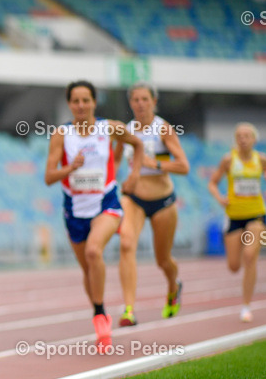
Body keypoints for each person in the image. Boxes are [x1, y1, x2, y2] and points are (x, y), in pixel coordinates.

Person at [44, 80, 143, 353]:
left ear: (94, 102)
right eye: (75, 101)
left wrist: (132, 174)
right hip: (75, 210)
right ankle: (99, 310)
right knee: (89, 269)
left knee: (92, 252)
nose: (81, 105)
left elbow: (136, 143)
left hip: (106, 204)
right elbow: (49, 177)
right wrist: (70, 168)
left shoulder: (108, 127)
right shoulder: (61, 134)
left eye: (85, 100)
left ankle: (101, 319)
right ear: (69, 104)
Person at [114, 83, 190, 326]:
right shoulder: (125, 131)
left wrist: (153, 164)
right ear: (130, 103)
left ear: (154, 101)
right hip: (133, 199)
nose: (140, 104)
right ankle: (128, 310)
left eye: (145, 99)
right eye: (135, 99)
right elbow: (113, 163)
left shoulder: (163, 129)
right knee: (126, 244)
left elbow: (183, 166)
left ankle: (173, 285)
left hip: (163, 202)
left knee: (162, 260)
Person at [207, 123, 266, 322]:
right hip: (234, 216)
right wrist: (220, 198)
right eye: (239, 136)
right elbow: (212, 182)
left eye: (247, 136)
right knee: (234, 265)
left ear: (254, 140)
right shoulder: (229, 160)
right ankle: (244, 260)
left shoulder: (261, 159)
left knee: (249, 256)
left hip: (256, 214)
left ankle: (246, 307)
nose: (243, 139)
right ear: (235, 139)